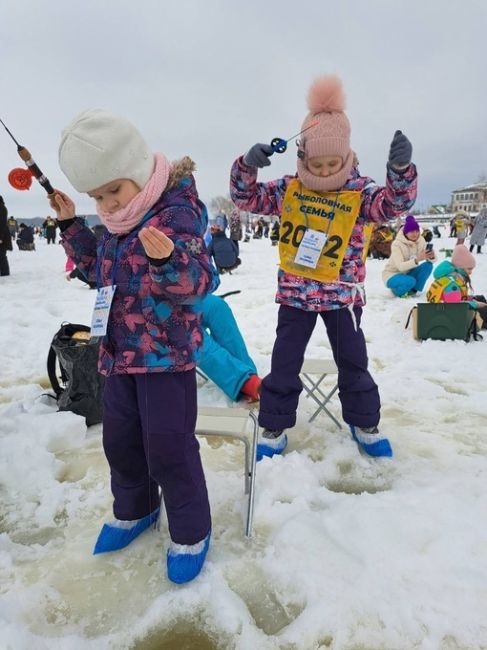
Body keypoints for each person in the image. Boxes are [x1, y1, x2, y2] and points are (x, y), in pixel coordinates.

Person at [50, 108, 217, 584]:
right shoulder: (118, 223)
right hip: (118, 358)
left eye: (112, 190)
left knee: (168, 447)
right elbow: (97, 273)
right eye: (96, 196)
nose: (105, 202)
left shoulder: (177, 215)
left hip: (166, 361)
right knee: (119, 441)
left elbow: (199, 284)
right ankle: (137, 509)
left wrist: (169, 262)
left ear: (139, 172)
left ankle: (190, 531)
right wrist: (71, 227)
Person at [230, 74, 417, 460]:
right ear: (302, 158)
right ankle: (274, 425)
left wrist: (399, 171)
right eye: (317, 162)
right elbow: (246, 199)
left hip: (342, 296)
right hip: (295, 296)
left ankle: (364, 421)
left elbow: (392, 206)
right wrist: (247, 166)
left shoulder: (359, 191)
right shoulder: (289, 189)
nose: (326, 169)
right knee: (284, 363)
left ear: (346, 156)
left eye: (334, 161)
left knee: (353, 362)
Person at [197, 293, 261, 401]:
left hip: (179, 293)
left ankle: (248, 376)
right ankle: (245, 383)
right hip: (160, 307)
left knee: (217, 306)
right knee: (189, 332)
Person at [426, 245, 487, 320]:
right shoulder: (452, 285)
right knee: (484, 310)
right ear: (460, 268)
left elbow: (456, 299)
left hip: (442, 309)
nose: (470, 272)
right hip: (446, 316)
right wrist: (476, 304)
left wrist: (472, 299)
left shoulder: (451, 277)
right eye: (469, 269)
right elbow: (455, 306)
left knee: (480, 299)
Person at [383, 215, 436, 297]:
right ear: (405, 232)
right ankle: (396, 291)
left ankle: (413, 290)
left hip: (408, 274)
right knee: (410, 281)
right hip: (393, 274)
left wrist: (431, 256)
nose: (415, 234)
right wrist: (417, 260)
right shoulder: (397, 244)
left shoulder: (421, 240)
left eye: (417, 231)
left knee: (428, 265)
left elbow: (432, 259)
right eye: (411, 232)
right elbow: (400, 266)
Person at [0, 196, 13, 276]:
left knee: (1, 255)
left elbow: (2, 224)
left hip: (2, 235)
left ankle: (5, 273)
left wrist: (0, 237)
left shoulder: (2, 208)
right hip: (2, 234)